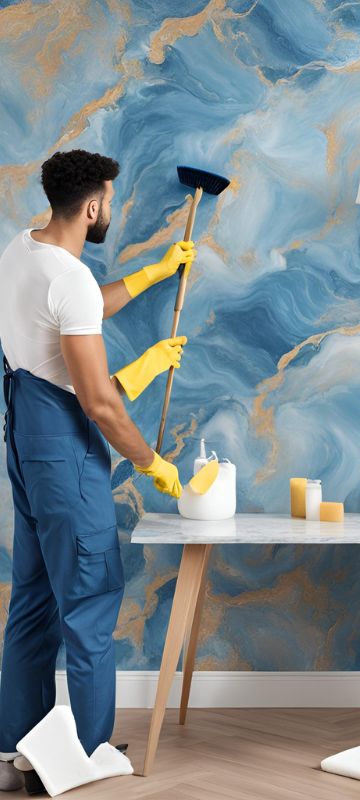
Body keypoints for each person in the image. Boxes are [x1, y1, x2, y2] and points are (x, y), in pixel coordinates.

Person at [0, 149, 195, 791]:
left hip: (27, 446)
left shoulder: (20, 250)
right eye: (110, 200)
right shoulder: (70, 280)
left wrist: (151, 275)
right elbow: (98, 401)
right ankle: (88, 753)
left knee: (33, 602)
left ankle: (14, 748)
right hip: (66, 455)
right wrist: (153, 463)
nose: (112, 209)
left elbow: (73, 316)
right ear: (92, 206)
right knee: (88, 603)